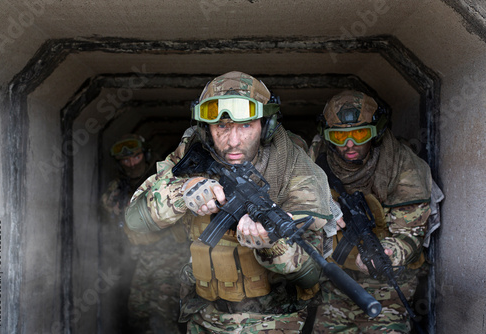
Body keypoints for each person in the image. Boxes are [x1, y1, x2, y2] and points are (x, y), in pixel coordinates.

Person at [124, 71, 334, 333]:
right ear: (206, 128)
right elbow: (135, 219)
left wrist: (273, 245)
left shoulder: (293, 164)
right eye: (222, 126)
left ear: (266, 126)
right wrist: (183, 191)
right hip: (205, 316)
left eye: (246, 125)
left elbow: (310, 274)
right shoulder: (193, 150)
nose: (233, 141)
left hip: (274, 321)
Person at [309, 90, 435, 333]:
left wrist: (390, 253)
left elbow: (412, 233)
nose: (349, 145)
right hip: (336, 283)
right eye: (338, 136)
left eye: (359, 134)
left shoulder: (403, 169)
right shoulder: (315, 158)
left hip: (388, 286)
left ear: (376, 132)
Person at [100, 134, 190, 334]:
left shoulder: (161, 178)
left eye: (135, 157)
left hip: (171, 254)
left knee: (163, 312)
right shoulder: (120, 185)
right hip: (144, 255)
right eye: (125, 160)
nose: (131, 163)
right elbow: (107, 206)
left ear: (146, 155)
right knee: (138, 309)